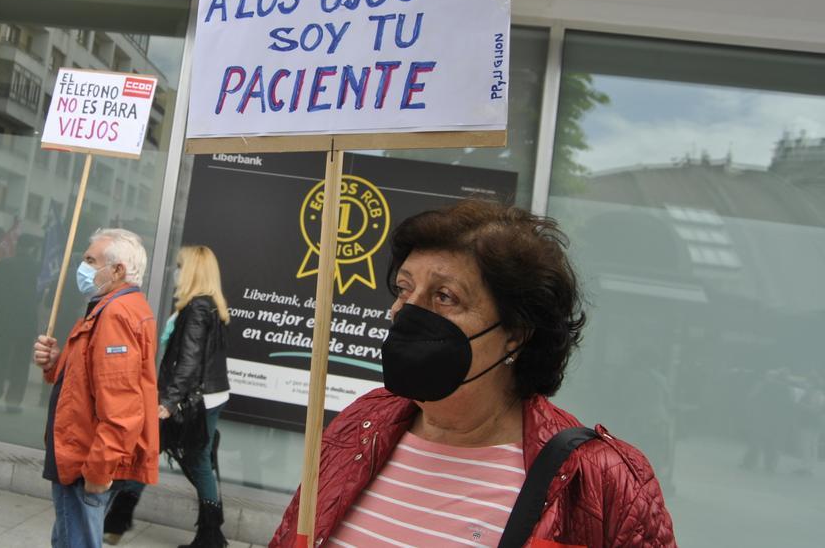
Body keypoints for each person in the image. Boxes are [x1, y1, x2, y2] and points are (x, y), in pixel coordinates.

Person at [270, 200, 676, 547]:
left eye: (444, 297)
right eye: (404, 289)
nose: (404, 312)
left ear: (515, 335)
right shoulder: (362, 423)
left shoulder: (598, 480)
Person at [34, 228, 160, 548]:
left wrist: (99, 470)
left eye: (91, 260)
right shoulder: (113, 307)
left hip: (86, 456)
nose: (84, 266)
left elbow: (121, 404)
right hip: (85, 452)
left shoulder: (116, 314)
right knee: (67, 539)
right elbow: (89, 378)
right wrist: (54, 363)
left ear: (117, 270)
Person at [106, 245, 232, 546]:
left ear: (192, 271)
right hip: (200, 397)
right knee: (151, 451)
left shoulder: (198, 307)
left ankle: (210, 536)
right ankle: (116, 520)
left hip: (189, 400)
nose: (173, 270)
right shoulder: (205, 304)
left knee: (191, 458)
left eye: (178, 265)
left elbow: (189, 360)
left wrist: (168, 402)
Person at [0, 238, 42, 412]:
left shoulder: (5, 264)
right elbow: (39, 295)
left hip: (5, 320)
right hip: (27, 322)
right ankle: (14, 402)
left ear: (18, 248)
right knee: (21, 363)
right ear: (32, 249)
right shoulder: (38, 267)